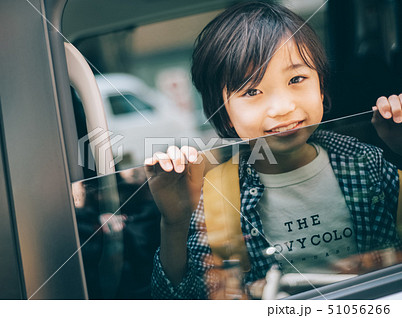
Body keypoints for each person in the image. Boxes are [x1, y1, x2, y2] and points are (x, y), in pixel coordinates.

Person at [144, 1, 402, 299]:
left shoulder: (367, 163)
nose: (282, 108)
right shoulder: (214, 195)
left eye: (296, 79)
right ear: (224, 114)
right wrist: (174, 223)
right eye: (252, 91)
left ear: (320, 87)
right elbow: (184, 300)